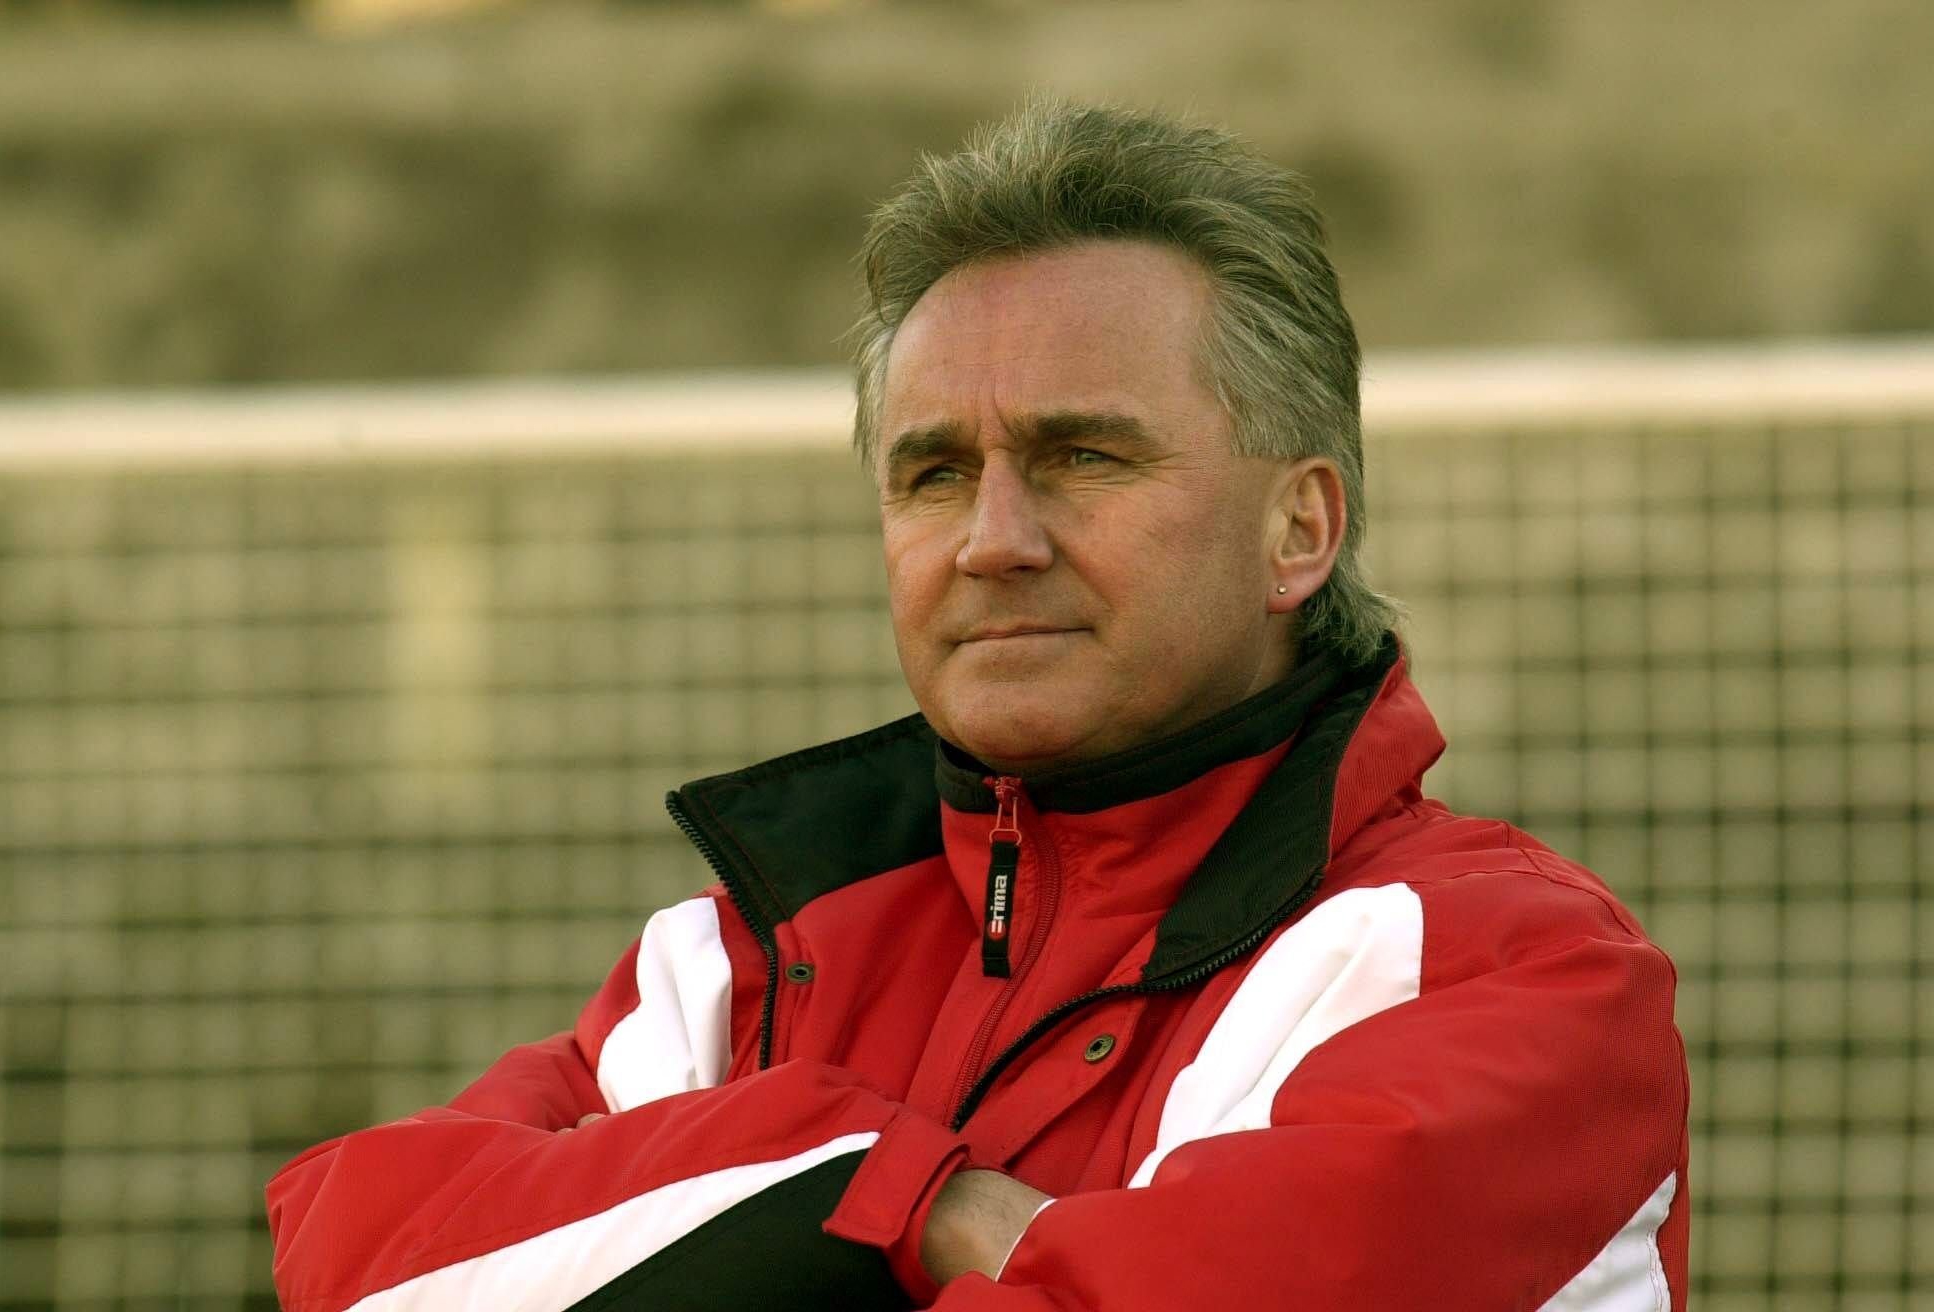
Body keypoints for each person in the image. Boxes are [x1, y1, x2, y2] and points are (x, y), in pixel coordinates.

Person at [266, 99, 1689, 1310]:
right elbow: (357, 1254)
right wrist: (902, 1197)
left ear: (1299, 529)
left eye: (1083, 457)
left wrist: (717, 1222)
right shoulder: (737, 958)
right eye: (935, 473)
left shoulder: (1518, 972)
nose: (992, 539)